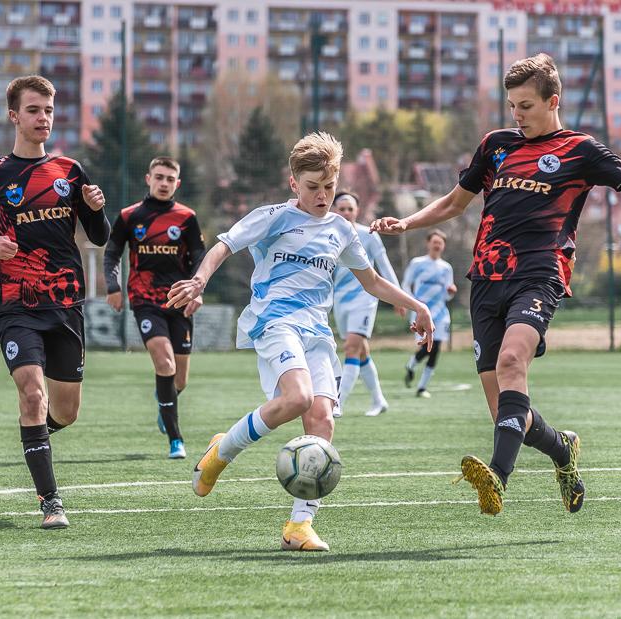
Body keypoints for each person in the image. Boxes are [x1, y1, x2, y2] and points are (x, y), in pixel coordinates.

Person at [371, 53, 621, 516]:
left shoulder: (580, 150)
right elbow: (454, 203)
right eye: (512, 106)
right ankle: (563, 450)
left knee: (512, 362)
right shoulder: (496, 145)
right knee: (508, 414)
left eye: (526, 106)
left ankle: (497, 478)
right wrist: (407, 223)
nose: (517, 115)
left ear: (552, 101)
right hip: (486, 281)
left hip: (540, 275)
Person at [167, 132, 434, 551]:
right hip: (275, 322)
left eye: (329, 186)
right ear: (294, 183)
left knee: (322, 419)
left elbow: (372, 281)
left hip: (316, 332)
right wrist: (199, 280)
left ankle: (299, 526)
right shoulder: (273, 217)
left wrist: (417, 306)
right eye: (313, 187)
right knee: (298, 398)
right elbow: (223, 247)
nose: (322, 196)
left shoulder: (342, 230)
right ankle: (222, 453)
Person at [0, 75, 110, 528]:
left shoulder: (70, 171)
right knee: (33, 394)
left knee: (66, 412)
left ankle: (34, 432)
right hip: (16, 304)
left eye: (49, 111)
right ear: (14, 116)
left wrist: (96, 209)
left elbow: (99, 236)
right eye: (34, 110)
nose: (43, 118)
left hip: (66, 304)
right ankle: (51, 502)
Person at [104, 156, 206, 458]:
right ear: (148, 179)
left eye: (170, 179)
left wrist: (197, 290)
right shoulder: (129, 216)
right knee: (165, 365)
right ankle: (176, 440)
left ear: (178, 183)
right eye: (159, 177)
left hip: (180, 300)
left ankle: (165, 400)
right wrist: (113, 287)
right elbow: (112, 253)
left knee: (180, 380)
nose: (164, 183)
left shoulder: (186, 217)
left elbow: (199, 258)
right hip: (145, 300)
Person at [331, 191, 401, 417]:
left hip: (365, 299)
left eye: (350, 209)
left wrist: (397, 296)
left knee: (351, 347)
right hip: (340, 300)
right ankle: (379, 400)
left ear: (357, 211)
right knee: (360, 351)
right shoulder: (327, 234)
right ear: (334, 210)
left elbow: (384, 265)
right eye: (342, 209)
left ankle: (338, 402)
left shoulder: (368, 235)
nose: (346, 212)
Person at [401, 230, 456, 398]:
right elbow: (406, 284)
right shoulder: (417, 263)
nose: (437, 245)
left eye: (440, 242)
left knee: (436, 348)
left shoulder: (446, 268)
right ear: (428, 243)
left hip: (440, 314)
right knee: (426, 347)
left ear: (443, 246)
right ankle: (411, 365)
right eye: (435, 242)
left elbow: (447, 294)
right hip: (421, 314)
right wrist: (411, 303)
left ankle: (422, 387)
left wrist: (451, 292)